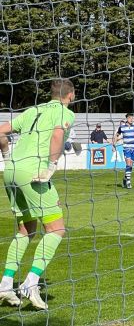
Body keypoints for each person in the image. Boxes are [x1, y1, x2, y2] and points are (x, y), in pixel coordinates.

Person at [0, 79, 75, 309]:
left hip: (11, 170)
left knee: (26, 229)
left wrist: (6, 153)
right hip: (34, 173)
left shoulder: (33, 110)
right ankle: (30, 282)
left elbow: (1, 130)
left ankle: (5, 284)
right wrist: (51, 165)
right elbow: (56, 136)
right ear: (71, 95)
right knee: (56, 229)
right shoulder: (65, 113)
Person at [116, 113, 134, 189]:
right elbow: (117, 135)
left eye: (132, 118)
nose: (131, 119)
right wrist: (114, 143)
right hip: (126, 147)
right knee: (128, 164)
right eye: (130, 118)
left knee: (131, 165)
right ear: (127, 118)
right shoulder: (122, 127)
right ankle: (129, 182)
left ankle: (125, 179)